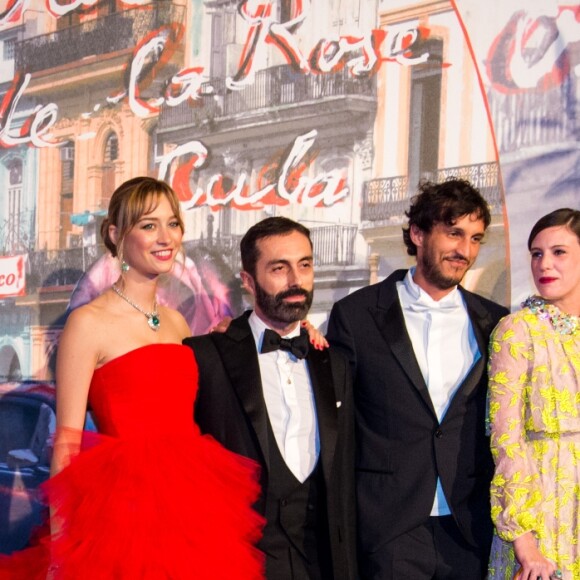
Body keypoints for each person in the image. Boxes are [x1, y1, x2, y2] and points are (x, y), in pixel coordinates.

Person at [0, 177, 264, 579]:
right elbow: (67, 443)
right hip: (123, 513)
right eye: (148, 225)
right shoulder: (87, 322)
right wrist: (61, 548)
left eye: (173, 223)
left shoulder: (178, 322)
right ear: (115, 235)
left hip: (192, 505)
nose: (166, 237)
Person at [326, 179, 509, 579]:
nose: (465, 250)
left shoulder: (496, 322)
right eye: (454, 233)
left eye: (476, 238)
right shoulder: (356, 316)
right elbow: (335, 423)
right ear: (418, 233)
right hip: (390, 526)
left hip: (469, 527)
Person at [184, 217, 357, 580]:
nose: (296, 280)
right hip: (236, 564)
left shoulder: (336, 362)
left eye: (304, 265)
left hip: (321, 566)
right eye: (279, 268)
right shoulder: (206, 356)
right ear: (248, 280)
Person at [488, 208, 580, 580]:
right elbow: (506, 438)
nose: (545, 264)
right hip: (544, 518)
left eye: (559, 252)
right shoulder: (516, 330)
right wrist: (525, 542)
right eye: (537, 253)